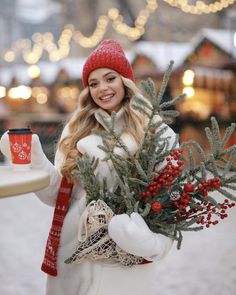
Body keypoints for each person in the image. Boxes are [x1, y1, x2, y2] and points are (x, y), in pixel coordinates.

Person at [0, 39, 177, 295]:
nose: (102, 88)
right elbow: (58, 195)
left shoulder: (155, 132)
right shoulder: (77, 129)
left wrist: (148, 243)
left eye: (110, 78)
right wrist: (33, 161)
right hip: (73, 256)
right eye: (93, 83)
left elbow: (172, 204)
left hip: (125, 262)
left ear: (125, 81)